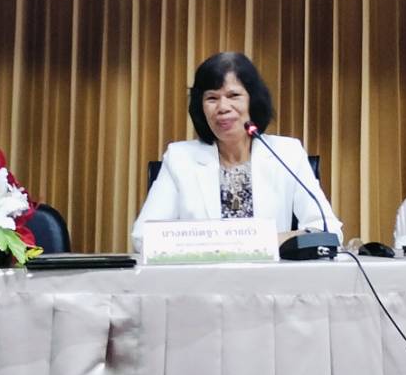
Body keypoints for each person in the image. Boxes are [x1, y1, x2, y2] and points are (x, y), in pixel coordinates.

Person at [132, 52, 342, 247]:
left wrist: (263, 242)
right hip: (204, 275)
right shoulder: (180, 158)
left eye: (233, 96)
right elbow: (143, 237)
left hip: (272, 274)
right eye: (212, 98)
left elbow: (328, 229)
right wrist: (225, 246)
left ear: (253, 101)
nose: (223, 107)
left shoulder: (287, 153)